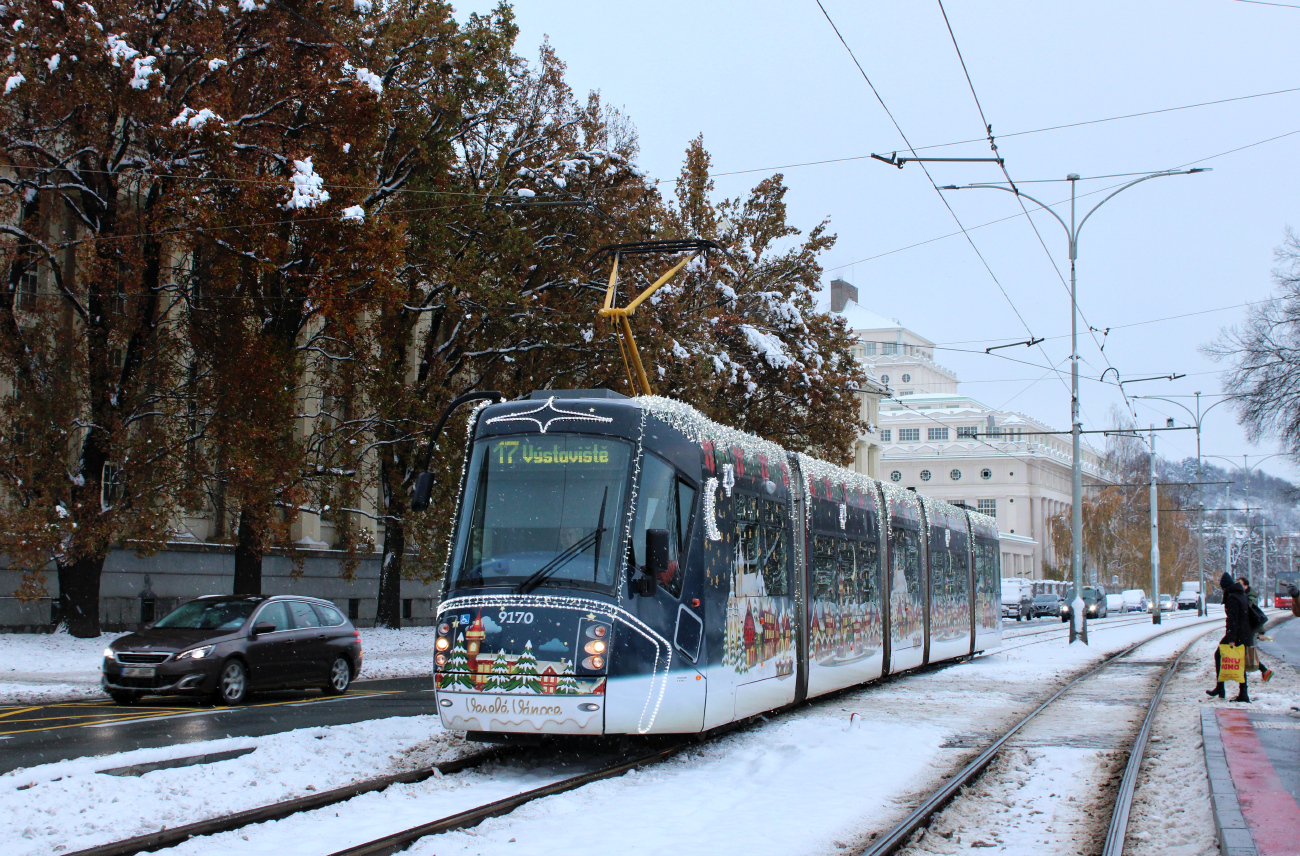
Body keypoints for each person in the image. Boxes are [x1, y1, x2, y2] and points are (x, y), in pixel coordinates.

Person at [1207, 572, 1251, 702]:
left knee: (1218, 655)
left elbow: (1232, 620)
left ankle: (1222, 688)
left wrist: (1231, 639)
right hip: (1244, 633)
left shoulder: (1232, 597)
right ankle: (1242, 693)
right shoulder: (1240, 594)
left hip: (1237, 634)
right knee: (1239, 661)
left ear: (1225, 587)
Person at [1239, 579, 1273, 683]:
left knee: (1248, 654)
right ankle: (1264, 671)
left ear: (1246, 586)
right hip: (1247, 629)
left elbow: (1254, 615)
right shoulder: (1246, 596)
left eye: (1240, 584)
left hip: (1250, 630)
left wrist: (1261, 632)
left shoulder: (1250, 598)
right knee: (1247, 654)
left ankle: (1265, 671)